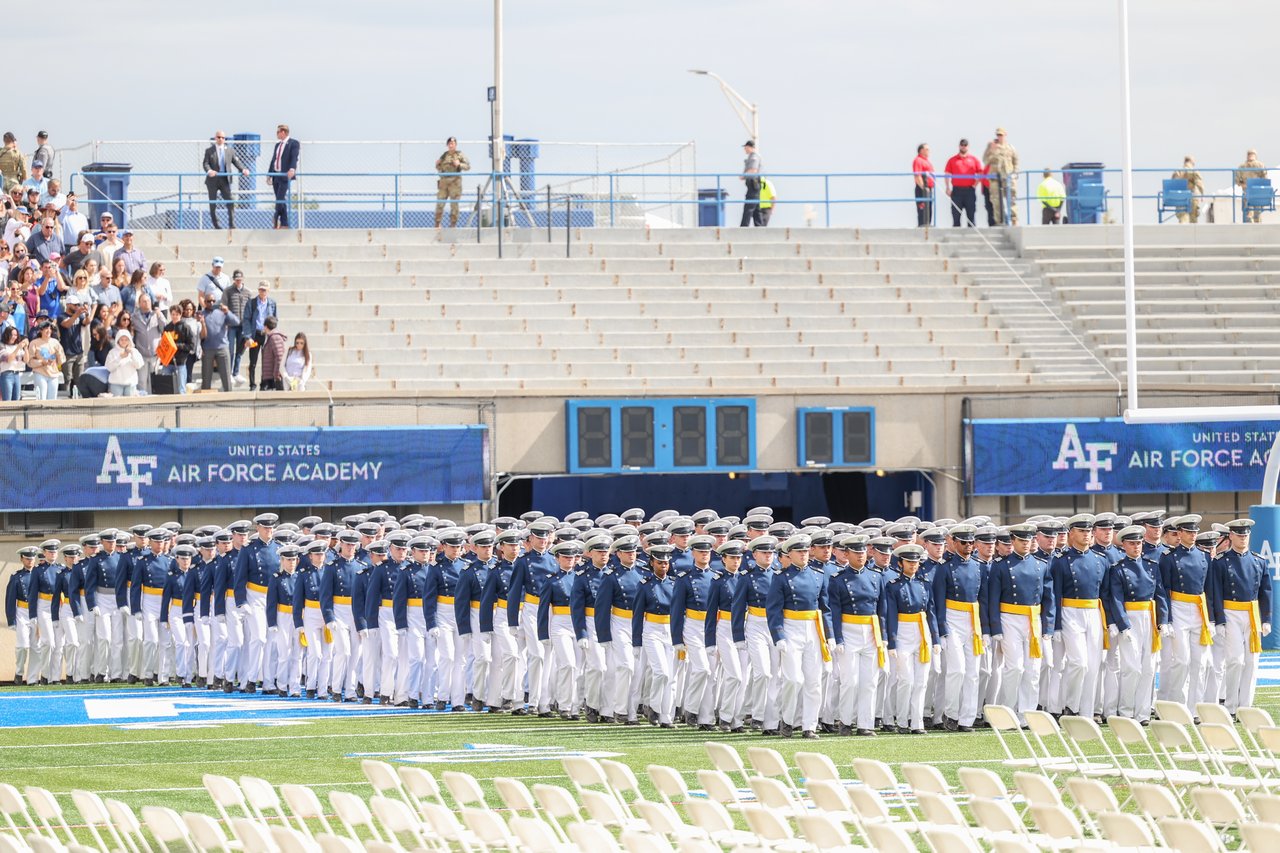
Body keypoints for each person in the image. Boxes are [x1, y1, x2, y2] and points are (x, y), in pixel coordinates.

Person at [1211, 518, 1271, 714]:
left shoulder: (1259, 561)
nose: (1243, 538)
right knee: (1235, 661)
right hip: (1230, 612)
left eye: (1245, 535)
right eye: (1239, 535)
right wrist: (1219, 620)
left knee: (1251, 662)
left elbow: (1266, 592)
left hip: (1252, 614)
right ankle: (1230, 705)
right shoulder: (1220, 562)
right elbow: (1216, 593)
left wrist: (1267, 619)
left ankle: (1245, 706)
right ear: (1231, 536)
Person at [202, 131, 251, 230]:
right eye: (218, 137)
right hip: (212, 180)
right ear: (215, 138)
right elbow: (205, 163)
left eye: (223, 137)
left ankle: (231, 224)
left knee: (230, 201)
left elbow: (236, 162)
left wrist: (243, 169)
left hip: (225, 180)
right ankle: (216, 225)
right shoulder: (209, 151)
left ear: (224, 139)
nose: (221, 139)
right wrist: (209, 171)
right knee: (213, 203)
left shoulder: (230, 150)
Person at [199, 292, 238, 392]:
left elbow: (236, 322)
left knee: (226, 376)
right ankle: (205, 399)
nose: (211, 303)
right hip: (207, 348)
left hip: (222, 348)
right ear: (204, 302)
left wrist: (227, 312)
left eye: (213, 301)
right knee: (206, 377)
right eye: (208, 301)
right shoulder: (201, 315)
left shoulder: (222, 313)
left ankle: (229, 397)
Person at [243, 282, 278, 391]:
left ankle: (264, 384)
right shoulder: (252, 303)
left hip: (266, 335)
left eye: (264, 290)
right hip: (255, 334)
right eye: (261, 289)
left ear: (268, 291)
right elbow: (246, 320)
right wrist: (248, 336)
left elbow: (275, 320)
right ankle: (252, 384)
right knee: (253, 361)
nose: (262, 292)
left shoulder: (272, 303)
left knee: (266, 361)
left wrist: (273, 333)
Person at [983, 128, 1019, 225]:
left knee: (1012, 199)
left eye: (1001, 135)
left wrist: (1015, 173)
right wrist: (991, 150)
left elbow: (1016, 161)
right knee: (996, 201)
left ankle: (1014, 219)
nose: (999, 137)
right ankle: (999, 221)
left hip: (1008, 177)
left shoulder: (1010, 147)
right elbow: (985, 161)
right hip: (995, 178)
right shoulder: (991, 147)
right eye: (998, 135)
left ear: (1005, 135)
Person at [267, 124, 300, 229]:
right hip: (276, 175)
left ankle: (275, 217)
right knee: (280, 199)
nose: (276, 134)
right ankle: (284, 223)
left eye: (278, 132)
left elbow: (294, 157)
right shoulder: (277, 145)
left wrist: (292, 169)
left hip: (285, 175)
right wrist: (269, 174)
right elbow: (273, 160)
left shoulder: (293, 143)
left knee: (280, 199)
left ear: (283, 132)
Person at [943, 139, 982, 227]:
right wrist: (947, 187)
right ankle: (956, 233)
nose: (963, 147)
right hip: (957, 191)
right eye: (962, 145)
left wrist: (975, 185)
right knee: (956, 214)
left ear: (968, 147)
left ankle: (972, 233)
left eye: (965, 145)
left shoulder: (974, 159)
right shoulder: (952, 160)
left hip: (969, 190)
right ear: (959, 146)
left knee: (971, 215)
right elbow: (947, 174)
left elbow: (980, 173)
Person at [434, 137, 471, 229]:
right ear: (447, 145)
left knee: (454, 204)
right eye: (449, 143)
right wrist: (437, 164)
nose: (451, 145)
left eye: (453, 143)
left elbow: (468, 166)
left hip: (455, 183)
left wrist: (459, 164)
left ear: (455, 145)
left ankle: (453, 224)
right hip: (444, 182)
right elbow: (439, 167)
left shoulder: (459, 155)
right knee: (440, 203)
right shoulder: (444, 155)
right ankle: (437, 223)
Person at [130, 294, 164, 394]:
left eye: (148, 301)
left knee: (154, 380)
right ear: (139, 303)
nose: (147, 303)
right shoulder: (134, 317)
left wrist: (159, 315)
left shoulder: (156, 314)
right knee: (142, 381)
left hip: (155, 354)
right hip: (142, 354)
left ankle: (154, 400)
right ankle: (142, 400)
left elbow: (164, 328)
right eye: (144, 301)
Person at [25, 320, 64, 400]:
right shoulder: (34, 343)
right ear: (41, 330)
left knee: (52, 400)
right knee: (42, 398)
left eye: (50, 329)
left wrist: (58, 353)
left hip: (54, 374)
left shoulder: (55, 342)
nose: (48, 330)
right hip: (40, 373)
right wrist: (42, 362)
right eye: (46, 328)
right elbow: (30, 362)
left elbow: (61, 361)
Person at [104, 329, 143, 396]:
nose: (124, 342)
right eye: (122, 340)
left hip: (130, 384)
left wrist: (132, 353)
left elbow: (139, 365)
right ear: (118, 340)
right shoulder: (112, 352)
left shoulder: (134, 351)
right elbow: (109, 367)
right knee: (117, 402)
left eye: (126, 340)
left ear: (129, 340)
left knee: (130, 402)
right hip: (116, 383)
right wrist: (120, 357)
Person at [1171, 156, 1206, 224]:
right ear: (1192, 162)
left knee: (1183, 219)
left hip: (1180, 198)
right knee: (1193, 221)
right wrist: (1202, 194)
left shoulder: (1177, 171)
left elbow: (1172, 185)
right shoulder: (1193, 171)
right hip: (1192, 198)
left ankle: (1183, 229)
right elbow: (1199, 184)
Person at [1235, 149, 1267, 223]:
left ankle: (1251, 222)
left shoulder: (1242, 166)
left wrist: (1243, 184)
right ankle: (1255, 223)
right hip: (1254, 191)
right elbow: (1265, 179)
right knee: (1255, 211)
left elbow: (1237, 180)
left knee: (1250, 210)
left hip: (1250, 191)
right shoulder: (1260, 165)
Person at [258, 316, 288, 391]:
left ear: (265, 326)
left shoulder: (275, 337)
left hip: (274, 378)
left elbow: (279, 356)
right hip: (270, 376)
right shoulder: (271, 337)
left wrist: (276, 374)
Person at [0, 326, 28, 400]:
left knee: (16, 400)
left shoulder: (17, 346)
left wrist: (25, 348)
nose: (14, 337)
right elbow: (9, 359)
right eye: (12, 335)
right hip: (6, 375)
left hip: (17, 375)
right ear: (7, 335)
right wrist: (18, 348)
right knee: (7, 400)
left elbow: (26, 360)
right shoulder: (2, 346)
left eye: (15, 335)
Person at [740, 140, 762, 227]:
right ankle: (760, 228)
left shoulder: (754, 157)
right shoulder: (752, 156)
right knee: (756, 210)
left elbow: (753, 170)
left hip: (753, 185)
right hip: (753, 185)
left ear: (750, 147)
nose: (745, 149)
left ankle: (743, 227)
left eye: (746, 147)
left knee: (748, 207)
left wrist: (743, 175)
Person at [912, 144, 935, 227]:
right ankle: (922, 227)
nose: (929, 151)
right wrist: (924, 188)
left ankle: (928, 226)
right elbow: (917, 176)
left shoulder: (926, 161)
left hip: (929, 189)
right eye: (927, 149)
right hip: (922, 189)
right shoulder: (918, 160)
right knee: (922, 210)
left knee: (929, 210)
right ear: (921, 150)